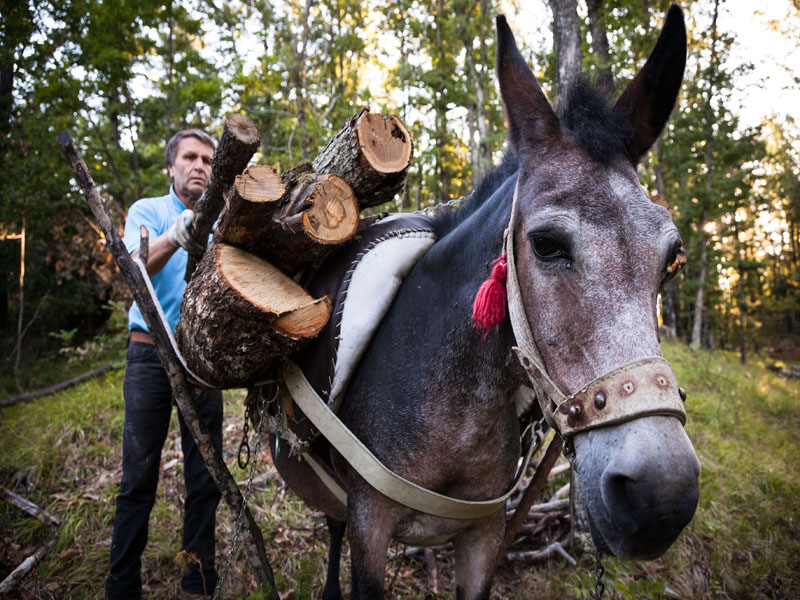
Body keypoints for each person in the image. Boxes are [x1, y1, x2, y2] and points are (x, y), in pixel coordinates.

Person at [106, 129, 223, 600]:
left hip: (201, 359)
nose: (200, 166)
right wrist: (176, 235)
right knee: (138, 477)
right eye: (190, 157)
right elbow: (133, 267)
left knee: (204, 478)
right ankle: (121, 584)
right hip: (150, 353)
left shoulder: (222, 221)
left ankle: (197, 581)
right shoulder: (148, 211)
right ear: (171, 168)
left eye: (209, 160)